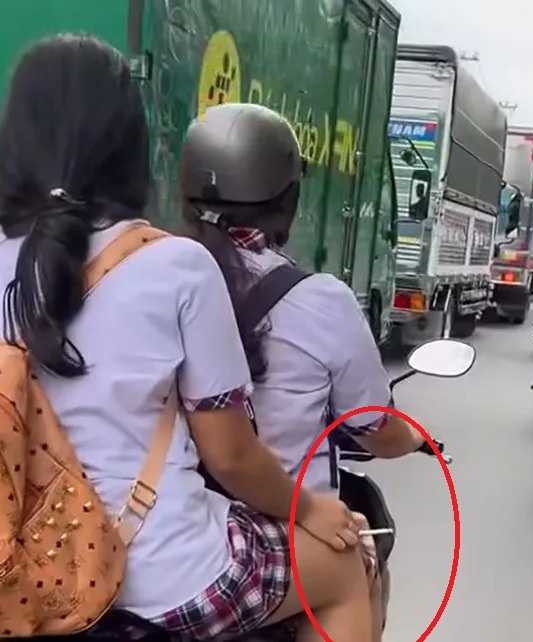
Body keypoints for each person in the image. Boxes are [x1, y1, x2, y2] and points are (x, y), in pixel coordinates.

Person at [0, 35, 374, 642]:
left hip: (16, 577)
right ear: (130, 146)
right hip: (165, 578)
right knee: (347, 567)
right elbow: (233, 457)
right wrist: (313, 508)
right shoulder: (176, 264)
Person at [180, 102, 426, 636]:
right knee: (353, 563)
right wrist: (411, 440)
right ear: (288, 201)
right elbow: (374, 426)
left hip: (162, 534)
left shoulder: (154, 277)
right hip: (272, 533)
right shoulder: (321, 301)